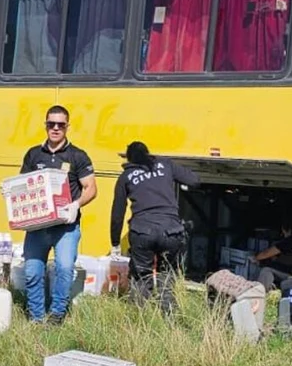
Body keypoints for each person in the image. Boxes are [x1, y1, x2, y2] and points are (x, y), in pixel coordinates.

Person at [20, 105, 97, 324]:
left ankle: (56, 316)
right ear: (45, 126)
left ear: (67, 127)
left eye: (60, 125)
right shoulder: (33, 154)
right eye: (51, 124)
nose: (55, 128)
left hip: (66, 228)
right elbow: (23, 184)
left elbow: (91, 188)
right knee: (32, 272)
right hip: (38, 227)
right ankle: (35, 318)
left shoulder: (78, 156)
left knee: (64, 270)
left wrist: (76, 204)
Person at [110, 141, 199, 312]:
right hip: (171, 231)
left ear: (129, 159)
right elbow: (194, 180)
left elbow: (117, 214)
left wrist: (115, 242)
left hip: (142, 232)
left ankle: (141, 320)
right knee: (167, 275)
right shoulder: (164, 164)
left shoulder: (126, 177)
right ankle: (168, 318)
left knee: (142, 277)